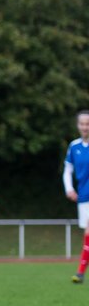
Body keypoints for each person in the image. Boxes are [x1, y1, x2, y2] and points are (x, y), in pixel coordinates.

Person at [63, 110, 89, 283]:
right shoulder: (74, 146)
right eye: (82, 124)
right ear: (77, 125)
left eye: (88, 124)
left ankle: (80, 272)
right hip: (83, 196)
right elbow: (67, 170)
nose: (85, 127)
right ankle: (80, 273)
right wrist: (69, 188)